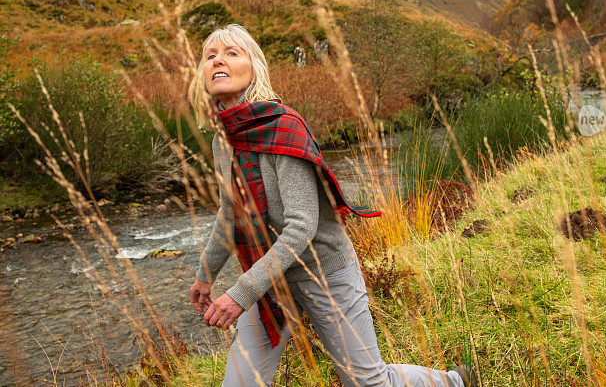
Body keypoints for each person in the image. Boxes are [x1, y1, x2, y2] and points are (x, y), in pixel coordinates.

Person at [187, 24, 476, 387]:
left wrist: (239, 292)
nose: (218, 61)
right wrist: (205, 273)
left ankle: (452, 382)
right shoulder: (222, 142)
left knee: (368, 382)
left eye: (231, 53)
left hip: (324, 272)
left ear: (254, 68)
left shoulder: (282, 128)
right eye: (210, 55)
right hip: (270, 282)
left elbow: (302, 227)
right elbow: (231, 212)